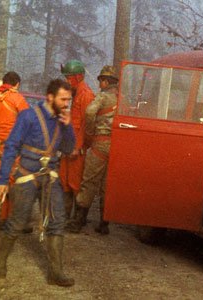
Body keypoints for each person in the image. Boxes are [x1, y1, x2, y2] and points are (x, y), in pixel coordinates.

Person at [0, 79, 76, 287]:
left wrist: (68, 127)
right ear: (50, 97)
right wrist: (3, 179)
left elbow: (68, 149)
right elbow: (11, 146)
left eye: (69, 99)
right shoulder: (28, 116)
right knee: (18, 222)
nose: (67, 103)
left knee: (57, 222)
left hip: (50, 177)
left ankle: (56, 273)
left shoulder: (62, 120)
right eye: (63, 99)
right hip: (27, 175)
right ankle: (0, 262)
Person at [67, 66, 119, 234]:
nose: (99, 84)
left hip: (100, 143)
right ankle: (104, 224)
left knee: (89, 181)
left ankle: (78, 221)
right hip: (117, 146)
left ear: (105, 81)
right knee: (107, 185)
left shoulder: (103, 97)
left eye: (100, 81)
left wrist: (89, 131)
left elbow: (89, 112)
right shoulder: (122, 98)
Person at [0, 71, 29, 226]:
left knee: (0, 180)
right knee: (17, 182)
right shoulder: (18, 99)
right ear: (16, 84)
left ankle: (1, 217)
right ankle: (16, 220)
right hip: (15, 147)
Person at [59, 59, 94, 222]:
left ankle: (78, 220)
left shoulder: (85, 95)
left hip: (77, 149)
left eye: (69, 78)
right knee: (64, 181)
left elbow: (87, 126)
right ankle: (64, 216)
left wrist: (78, 147)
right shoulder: (74, 94)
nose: (67, 81)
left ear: (79, 77)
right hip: (69, 146)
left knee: (76, 183)